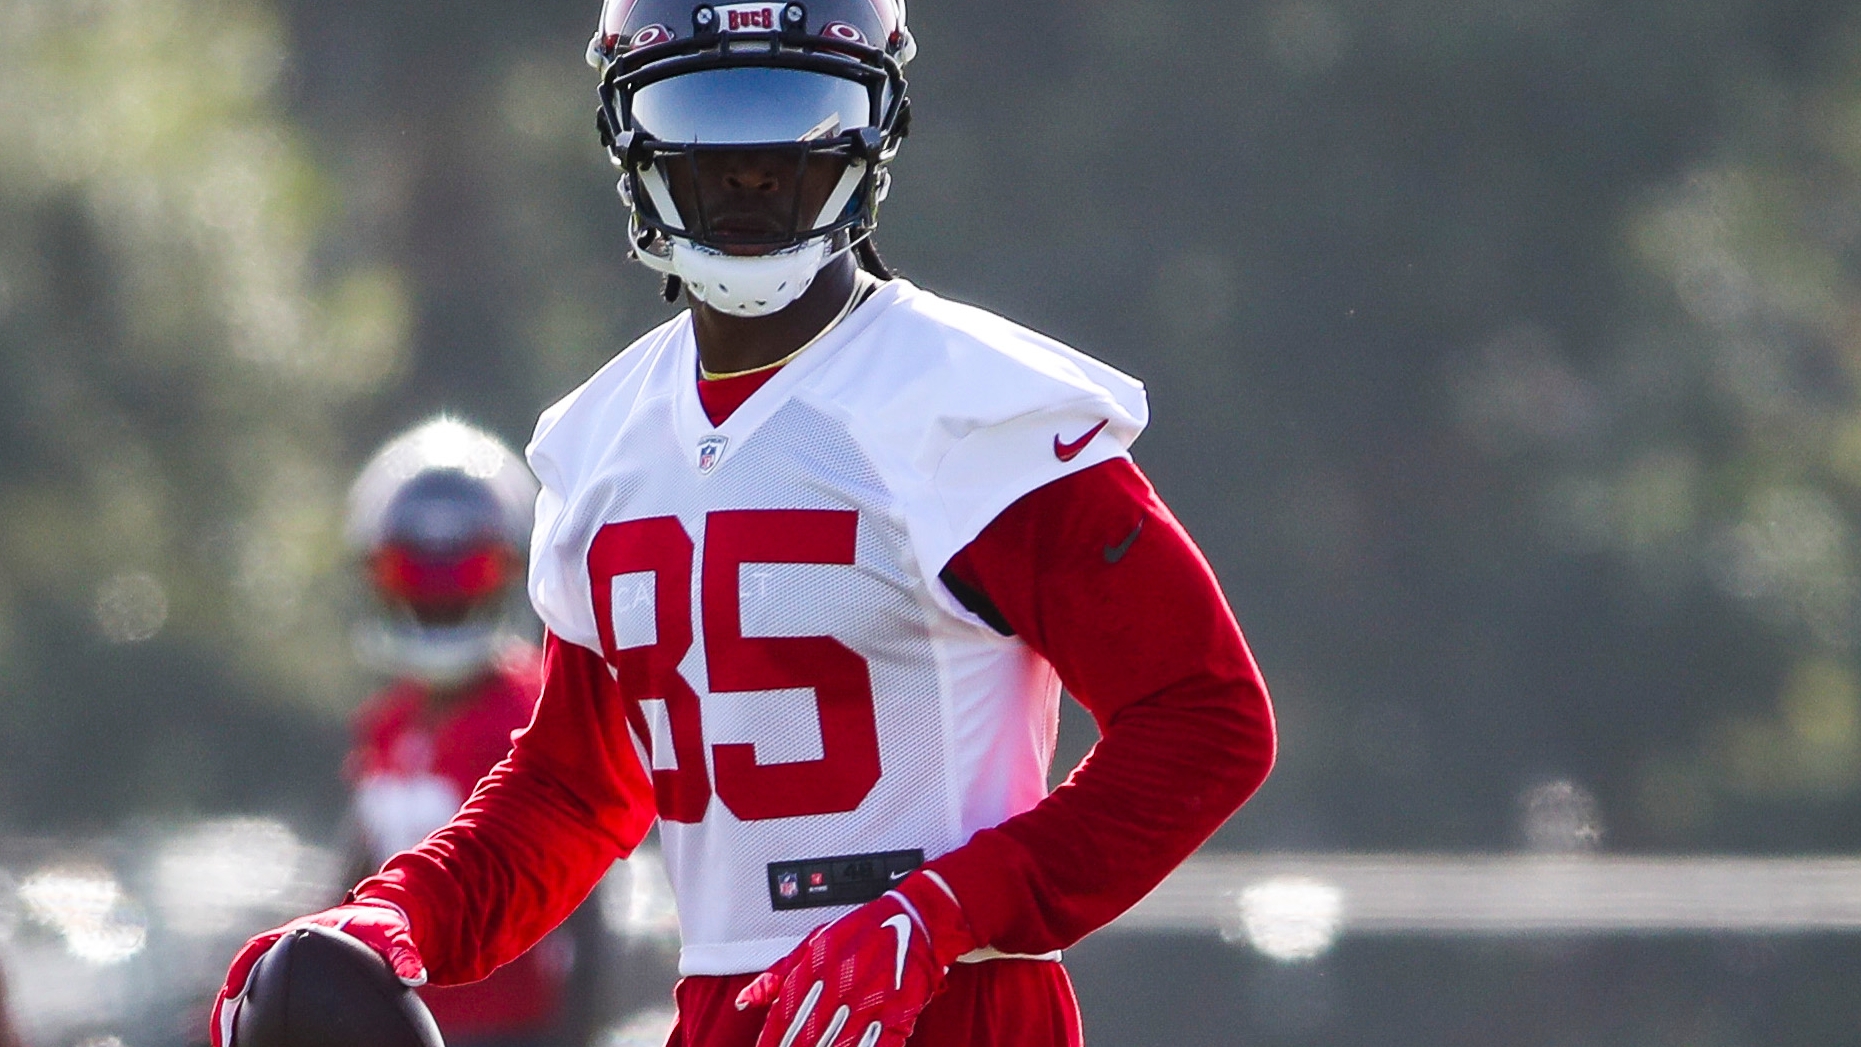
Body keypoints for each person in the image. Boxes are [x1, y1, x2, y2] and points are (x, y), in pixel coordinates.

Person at [211, 2, 1277, 1045]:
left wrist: (947, 911)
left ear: (874, 127)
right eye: (702, 120)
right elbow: (576, 785)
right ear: (630, 137)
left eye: (796, 114)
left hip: (949, 1008)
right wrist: (400, 915)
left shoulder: (972, 401)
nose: (752, 167)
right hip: (726, 1011)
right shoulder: (603, 439)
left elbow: (1203, 718)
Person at [339, 419, 590, 1047]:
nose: (440, 594)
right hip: (405, 1027)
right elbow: (354, 883)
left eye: (465, 570)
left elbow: (591, 912)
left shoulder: (534, 708)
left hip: (517, 1030)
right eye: (415, 571)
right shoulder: (387, 725)